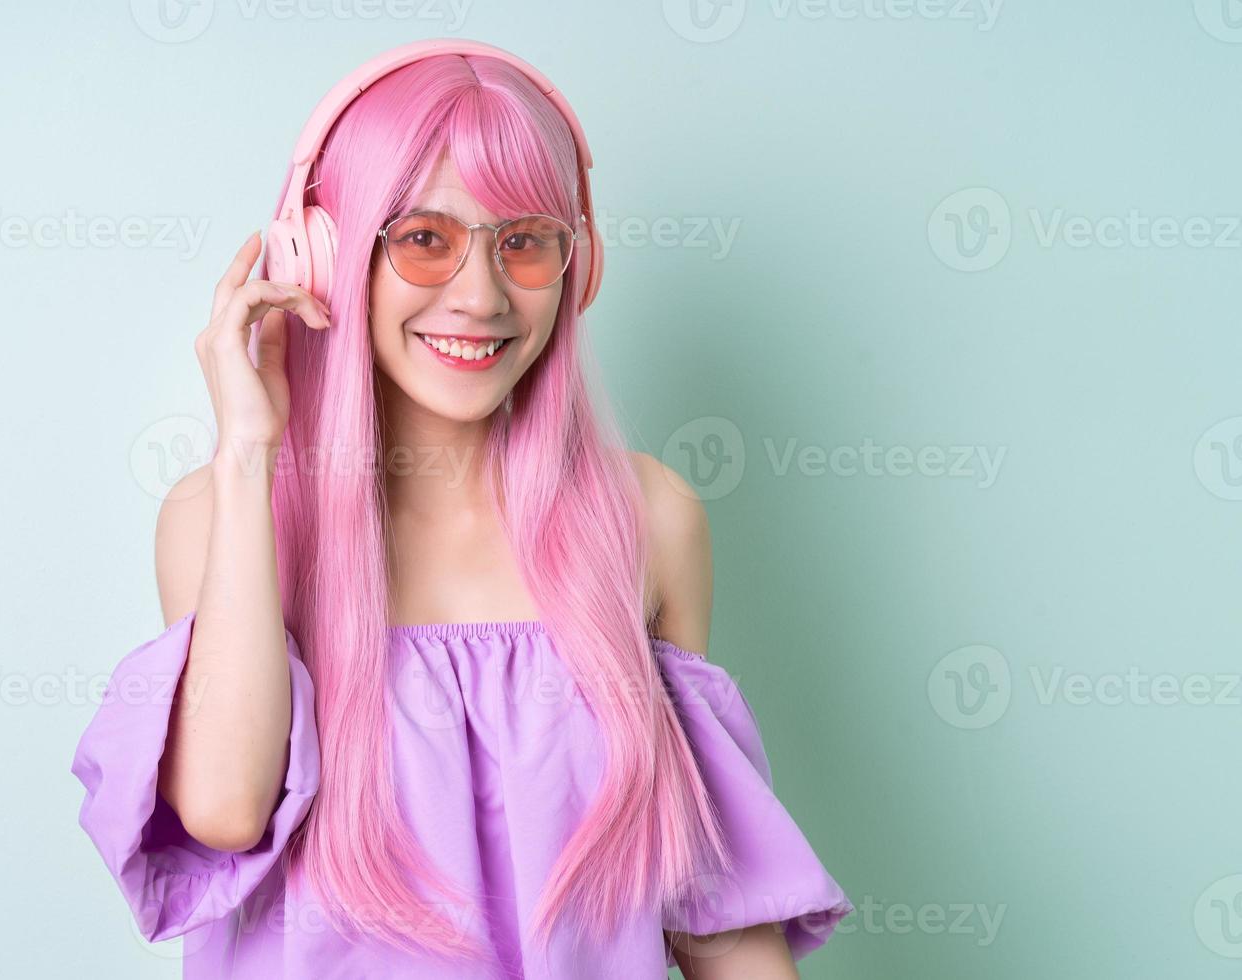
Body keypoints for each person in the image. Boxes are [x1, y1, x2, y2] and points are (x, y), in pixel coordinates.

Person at [70, 38, 852, 979]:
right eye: (424, 239)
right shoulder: (222, 518)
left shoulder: (648, 517)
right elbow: (227, 811)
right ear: (322, 258)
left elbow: (706, 901)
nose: (480, 297)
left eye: (523, 242)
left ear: (578, 265)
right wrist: (247, 453)